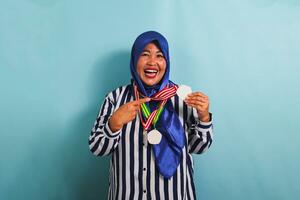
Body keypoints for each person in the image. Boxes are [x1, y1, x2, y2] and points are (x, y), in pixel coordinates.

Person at [89, 31, 213, 200]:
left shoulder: (183, 98)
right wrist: (114, 124)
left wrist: (204, 117)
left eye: (159, 55)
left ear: (167, 61)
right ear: (134, 60)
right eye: (145, 54)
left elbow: (199, 147)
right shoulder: (115, 98)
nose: (152, 62)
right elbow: (97, 148)